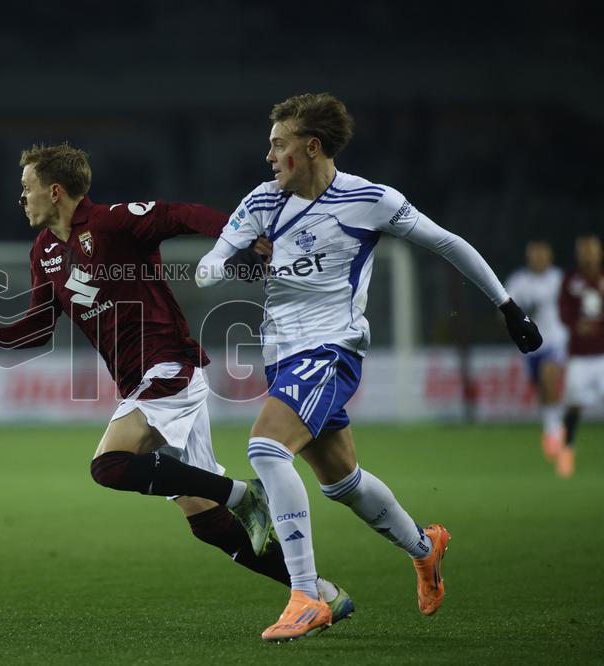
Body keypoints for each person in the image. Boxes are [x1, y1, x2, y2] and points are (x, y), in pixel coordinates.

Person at [0, 143, 354, 629]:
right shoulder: (45, 252)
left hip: (169, 369)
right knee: (207, 524)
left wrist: (244, 238)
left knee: (108, 465)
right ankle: (322, 594)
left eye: (27, 188)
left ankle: (241, 494)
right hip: (140, 384)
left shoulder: (113, 223)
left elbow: (180, 215)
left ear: (55, 191)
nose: (22, 198)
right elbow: (40, 324)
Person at [196, 93, 542, 642]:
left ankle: (308, 594)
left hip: (333, 350)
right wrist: (229, 262)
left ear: (310, 148)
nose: (268, 156)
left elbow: (447, 244)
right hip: (283, 357)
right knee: (342, 483)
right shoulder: (264, 201)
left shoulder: (371, 201)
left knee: (265, 448)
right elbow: (210, 266)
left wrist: (508, 307)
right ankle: (426, 549)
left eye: (278, 145)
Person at [505, 241, 568, 461]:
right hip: (531, 344)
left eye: (543, 254)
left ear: (550, 256)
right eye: (535, 254)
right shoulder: (519, 281)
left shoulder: (560, 279)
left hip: (556, 341)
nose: (539, 258)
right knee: (542, 390)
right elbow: (502, 309)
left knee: (548, 377)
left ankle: (554, 434)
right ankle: (552, 426)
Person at [557, 234, 604, 478]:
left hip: (602, 353)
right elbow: (563, 310)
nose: (587, 256)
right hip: (579, 355)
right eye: (583, 251)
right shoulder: (570, 280)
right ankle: (567, 450)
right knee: (574, 404)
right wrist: (576, 324)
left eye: (591, 251)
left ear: (599, 254)